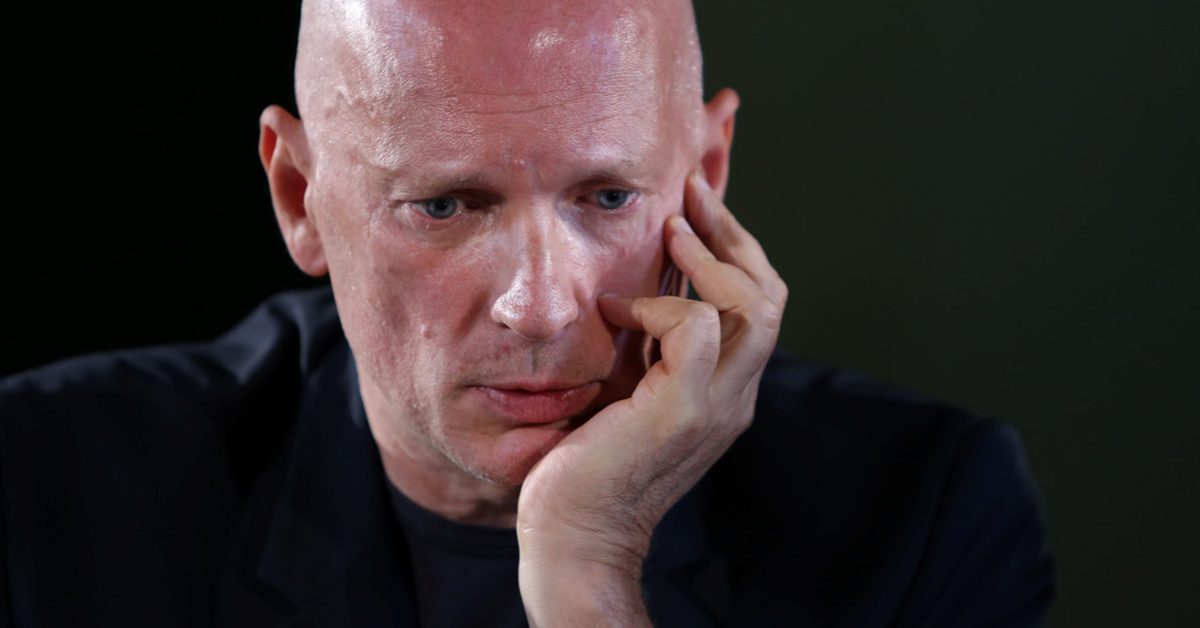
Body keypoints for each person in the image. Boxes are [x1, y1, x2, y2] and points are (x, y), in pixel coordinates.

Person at [0, 0, 1055, 626]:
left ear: (708, 170)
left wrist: (590, 568)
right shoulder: (38, 490)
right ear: (297, 196)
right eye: (446, 205)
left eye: (608, 196)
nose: (541, 307)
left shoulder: (921, 516)